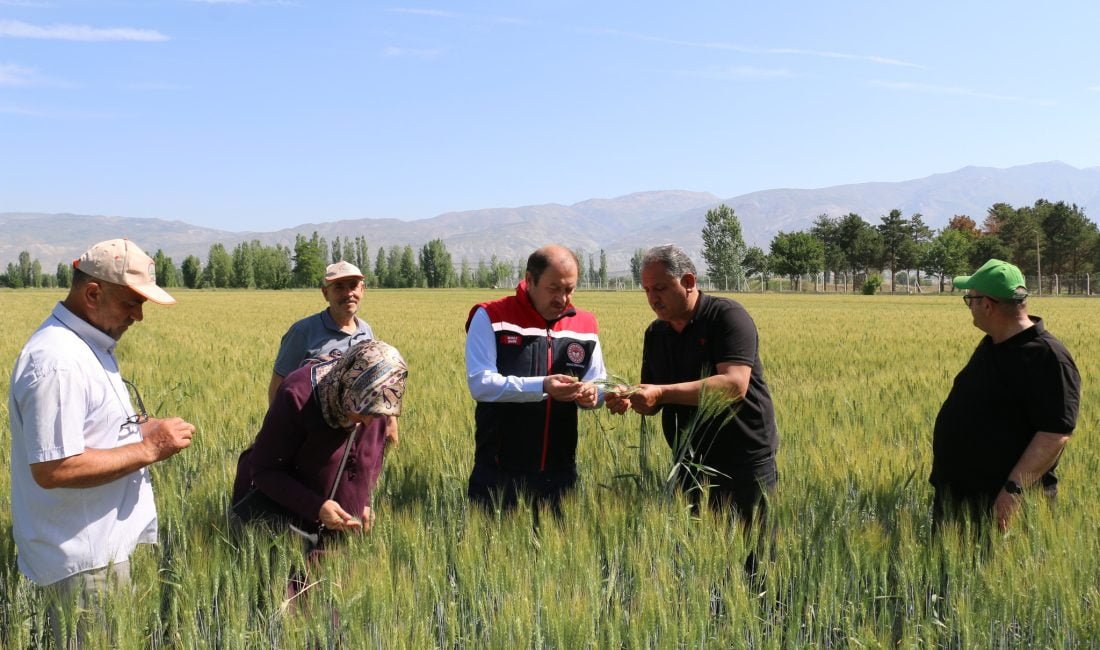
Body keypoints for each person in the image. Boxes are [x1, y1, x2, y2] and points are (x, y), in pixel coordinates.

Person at [8, 238, 196, 645]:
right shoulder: (58, 361)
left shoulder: (88, 344)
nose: (139, 316)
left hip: (99, 555)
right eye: (132, 303)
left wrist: (139, 431)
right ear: (93, 293)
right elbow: (55, 467)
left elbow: (86, 435)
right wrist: (150, 449)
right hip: (82, 564)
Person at [606, 244, 779, 528]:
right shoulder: (656, 333)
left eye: (660, 288)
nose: (652, 298)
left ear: (688, 282)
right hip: (688, 463)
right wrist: (633, 398)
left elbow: (734, 386)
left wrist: (660, 392)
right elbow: (655, 400)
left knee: (754, 561)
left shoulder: (726, 316)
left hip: (744, 462)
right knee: (698, 561)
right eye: (647, 290)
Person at [930, 259, 1080, 531]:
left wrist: (1013, 491)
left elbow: (1055, 432)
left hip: (1001, 504)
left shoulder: (1048, 357)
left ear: (987, 305)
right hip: (959, 500)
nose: (969, 306)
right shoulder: (994, 344)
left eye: (970, 299)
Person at [464, 244, 606, 517]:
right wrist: (542, 386)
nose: (563, 299)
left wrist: (593, 395)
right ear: (529, 280)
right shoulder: (491, 316)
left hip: (560, 471)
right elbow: (480, 384)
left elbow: (598, 380)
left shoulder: (585, 325)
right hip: (498, 470)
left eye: (570, 289)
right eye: (553, 288)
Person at [232, 339, 408, 542]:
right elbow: (264, 470)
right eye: (363, 409)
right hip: (279, 527)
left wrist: (364, 504)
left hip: (334, 534)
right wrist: (316, 506)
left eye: (379, 413)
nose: (369, 422)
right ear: (347, 388)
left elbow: (368, 463)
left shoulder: (378, 399)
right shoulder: (298, 395)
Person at [268, 260, 373, 404]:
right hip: (309, 426)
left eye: (353, 286)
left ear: (362, 290)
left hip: (355, 425)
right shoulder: (302, 332)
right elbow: (278, 387)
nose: (348, 293)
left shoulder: (366, 330)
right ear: (325, 293)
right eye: (338, 287)